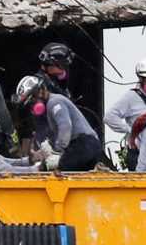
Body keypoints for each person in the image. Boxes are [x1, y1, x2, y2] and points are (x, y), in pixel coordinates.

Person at [24, 42, 104, 171]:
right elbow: (60, 125)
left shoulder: (54, 89)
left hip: (74, 143)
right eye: (61, 66)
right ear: (49, 65)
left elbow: (64, 125)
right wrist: (54, 151)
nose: (63, 70)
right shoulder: (40, 87)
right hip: (58, 142)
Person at [106, 58, 146, 166]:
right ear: (141, 79)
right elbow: (109, 117)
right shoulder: (130, 97)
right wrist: (130, 130)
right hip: (138, 153)